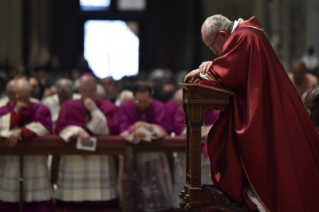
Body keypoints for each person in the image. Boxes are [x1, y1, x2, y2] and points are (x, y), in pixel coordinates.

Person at [184, 14, 319, 212]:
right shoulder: (246, 33)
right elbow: (232, 67)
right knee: (221, 136)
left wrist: (205, 71)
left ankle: (253, 195)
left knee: (228, 140)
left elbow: (232, 72)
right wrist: (214, 66)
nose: (215, 53)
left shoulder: (244, 36)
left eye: (213, 47)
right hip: (265, 105)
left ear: (222, 35)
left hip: (262, 110)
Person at [54, 76, 119, 210]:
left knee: (99, 203)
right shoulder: (69, 106)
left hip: (100, 160)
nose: (88, 95)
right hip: (74, 160)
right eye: (84, 91)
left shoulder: (108, 106)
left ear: (96, 90)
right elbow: (60, 128)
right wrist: (78, 131)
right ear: (79, 90)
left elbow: (109, 129)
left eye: (91, 91)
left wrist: (95, 110)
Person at [0, 78, 53, 211]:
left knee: (37, 203)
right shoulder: (4, 109)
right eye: (18, 96)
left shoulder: (41, 107)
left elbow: (44, 127)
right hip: (10, 164)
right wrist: (16, 113)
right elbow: (2, 129)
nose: (22, 100)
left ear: (31, 93)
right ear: (12, 94)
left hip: (35, 163)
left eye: (26, 96)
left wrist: (20, 132)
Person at [119, 84, 173, 211]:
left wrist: (150, 127)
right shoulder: (125, 107)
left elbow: (167, 128)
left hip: (154, 153)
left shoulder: (159, 106)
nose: (142, 105)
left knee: (153, 183)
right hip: (132, 151)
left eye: (145, 101)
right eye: (138, 101)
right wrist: (133, 130)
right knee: (133, 182)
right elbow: (122, 127)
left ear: (151, 97)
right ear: (133, 97)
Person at [172, 106, 220, 208]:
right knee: (187, 179)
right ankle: (185, 203)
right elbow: (179, 128)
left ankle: (208, 202)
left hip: (207, 154)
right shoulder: (184, 109)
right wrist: (202, 130)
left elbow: (221, 126)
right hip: (188, 151)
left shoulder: (215, 110)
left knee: (207, 178)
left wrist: (213, 129)